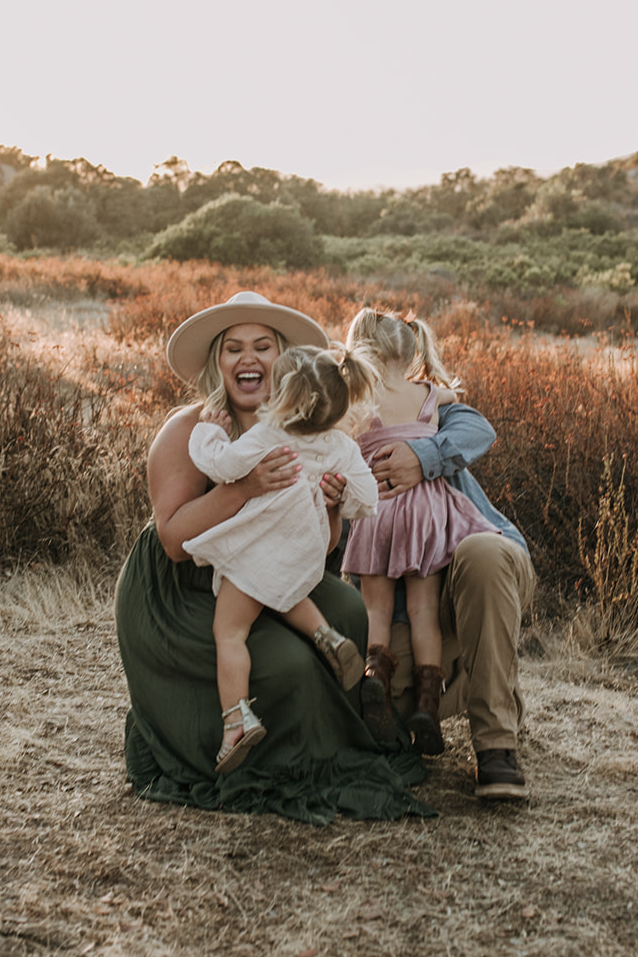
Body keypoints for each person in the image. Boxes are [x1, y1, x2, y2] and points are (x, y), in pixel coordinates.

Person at [114, 291, 433, 823]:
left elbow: (322, 546)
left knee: (349, 614)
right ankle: (244, 744)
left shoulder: (303, 428)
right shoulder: (192, 430)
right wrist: (245, 487)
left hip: (263, 567)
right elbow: (173, 539)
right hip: (182, 584)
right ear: (217, 362)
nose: (248, 359)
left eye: (262, 346)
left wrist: (331, 507)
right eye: (233, 348)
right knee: (284, 666)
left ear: (283, 362)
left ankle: (331, 744)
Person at [347, 308, 538, 801]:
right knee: (387, 691)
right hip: (419, 602)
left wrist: (424, 458)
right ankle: (441, 694)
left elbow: (479, 430)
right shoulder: (419, 400)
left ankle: (496, 746)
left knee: (481, 554)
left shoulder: (435, 413)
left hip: (476, 569)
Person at [185, 344, 379, 773]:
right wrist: (339, 492)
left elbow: (219, 465)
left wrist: (208, 430)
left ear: (282, 397)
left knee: (230, 632)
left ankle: (236, 720)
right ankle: (328, 636)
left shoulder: (268, 436)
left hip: (259, 550)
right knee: (283, 587)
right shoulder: (342, 446)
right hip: (305, 548)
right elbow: (368, 501)